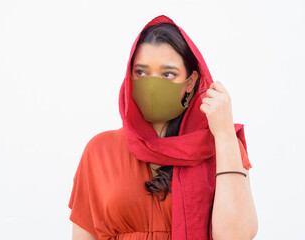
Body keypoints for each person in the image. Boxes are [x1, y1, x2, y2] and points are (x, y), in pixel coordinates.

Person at [68, 15, 258, 240]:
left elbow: (234, 236)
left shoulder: (221, 148)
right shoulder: (100, 150)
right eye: (142, 72)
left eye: (168, 74)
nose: (153, 84)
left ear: (190, 82)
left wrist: (225, 134)